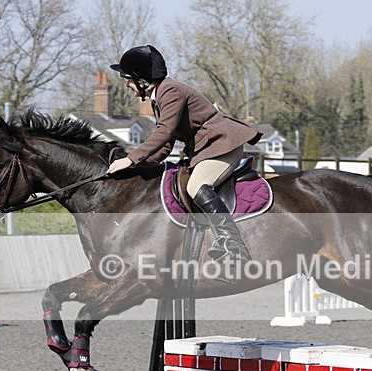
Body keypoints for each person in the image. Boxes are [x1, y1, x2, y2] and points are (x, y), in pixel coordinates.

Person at [106, 44, 262, 261]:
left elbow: (164, 131)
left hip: (223, 144)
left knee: (196, 185)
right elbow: (166, 144)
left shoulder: (170, 91)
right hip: (206, 148)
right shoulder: (159, 97)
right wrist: (138, 166)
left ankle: (233, 243)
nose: (127, 85)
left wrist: (131, 158)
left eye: (129, 79)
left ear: (142, 80)